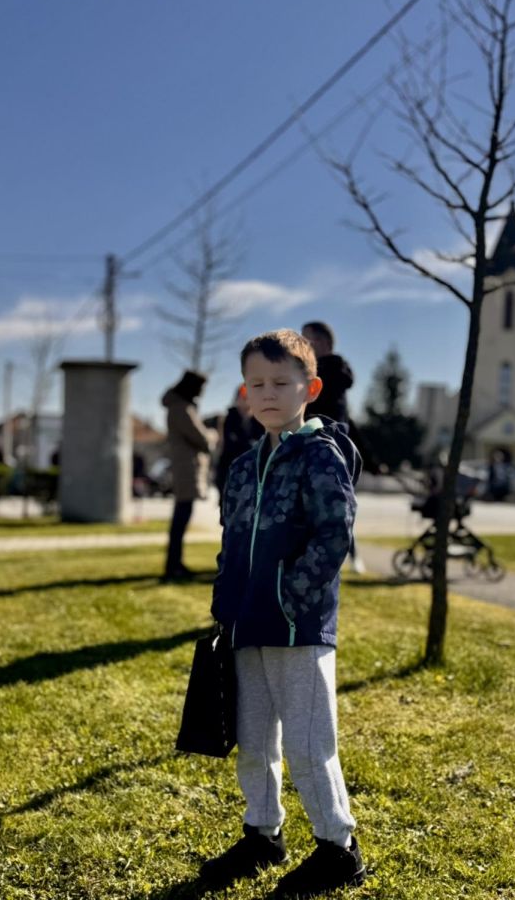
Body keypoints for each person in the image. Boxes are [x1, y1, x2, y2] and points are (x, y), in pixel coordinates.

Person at [203, 329, 366, 897]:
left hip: (299, 626)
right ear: (244, 392)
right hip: (247, 623)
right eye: (256, 383)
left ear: (311, 387)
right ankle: (262, 833)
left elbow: (334, 534)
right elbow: (231, 539)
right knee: (254, 738)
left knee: (307, 740)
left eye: (281, 382)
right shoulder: (245, 465)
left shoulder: (321, 456)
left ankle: (337, 847)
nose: (267, 393)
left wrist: (291, 594)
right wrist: (226, 601)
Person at [302, 320, 365, 574]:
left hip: (329, 453)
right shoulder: (318, 376)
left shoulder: (329, 377)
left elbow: (346, 424)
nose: (302, 345)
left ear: (323, 343)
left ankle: (347, 556)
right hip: (312, 450)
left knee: (337, 509)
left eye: (307, 340)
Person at [161, 370, 216, 580]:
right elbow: (202, 438)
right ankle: (173, 565)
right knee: (180, 520)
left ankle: (175, 563)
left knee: (180, 520)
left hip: (186, 467)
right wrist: (213, 433)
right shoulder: (181, 408)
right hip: (187, 469)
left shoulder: (180, 406)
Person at [214, 384, 263, 505]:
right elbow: (231, 444)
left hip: (252, 473)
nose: (246, 400)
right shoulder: (229, 418)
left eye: (249, 397)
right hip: (229, 471)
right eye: (243, 396)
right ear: (236, 399)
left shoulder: (259, 419)